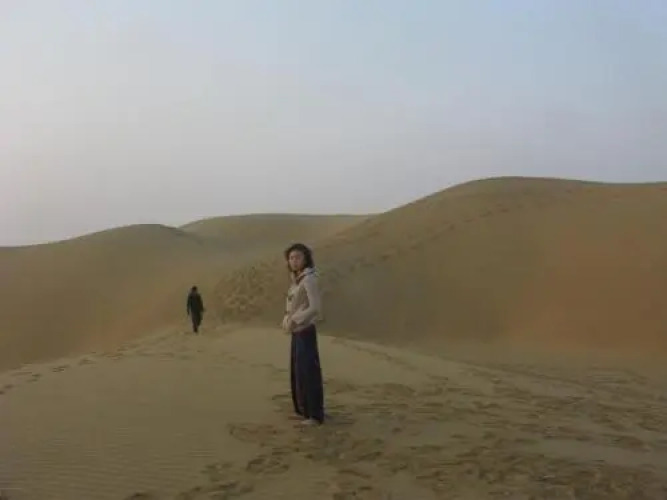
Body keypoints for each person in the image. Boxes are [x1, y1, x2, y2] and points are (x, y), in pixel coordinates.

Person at [282, 242, 325, 426]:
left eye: (298, 257)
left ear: (306, 258)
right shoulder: (296, 280)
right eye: (291, 258)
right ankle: (303, 410)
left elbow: (315, 307)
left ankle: (315, 415)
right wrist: (287, 320)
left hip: (306, 330)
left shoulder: (309, 279)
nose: (294, 261)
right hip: (297, 331)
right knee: (298, 372)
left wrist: (295, 319)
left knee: (309, 372)